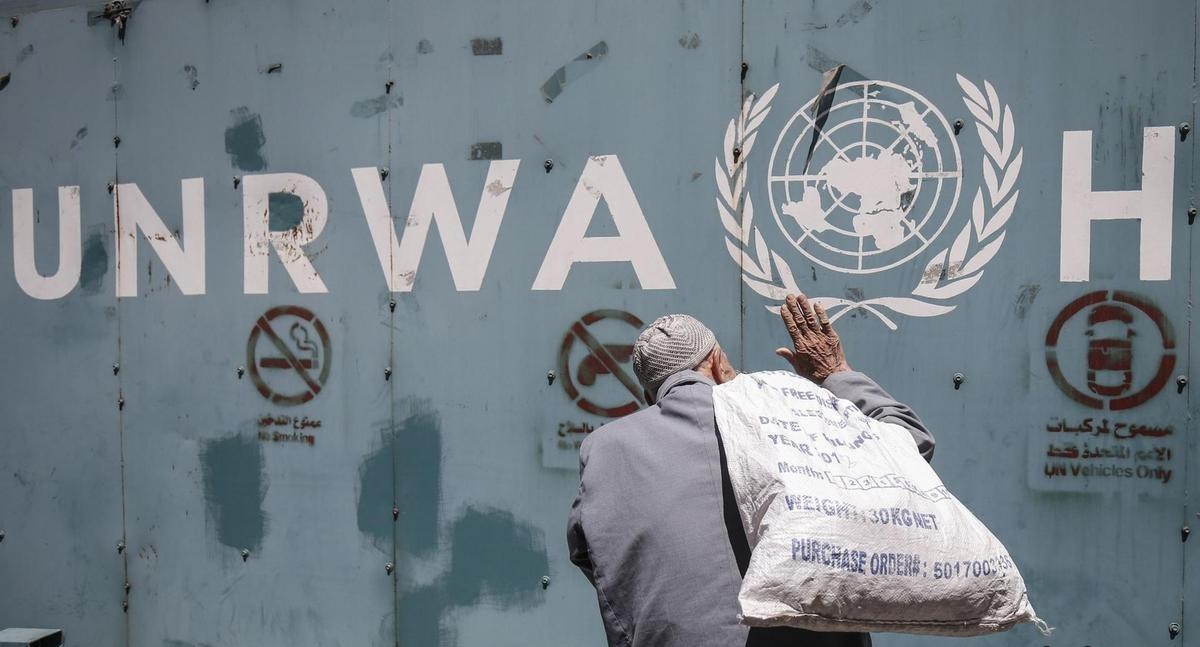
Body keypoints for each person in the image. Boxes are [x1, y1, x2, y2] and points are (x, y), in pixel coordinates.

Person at [567, 293, 935, 647]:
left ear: (651, 394)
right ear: (717, 363)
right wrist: (835, 373)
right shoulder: (786, 416)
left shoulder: (603, 448)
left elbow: (588, 552)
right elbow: (909, 447)